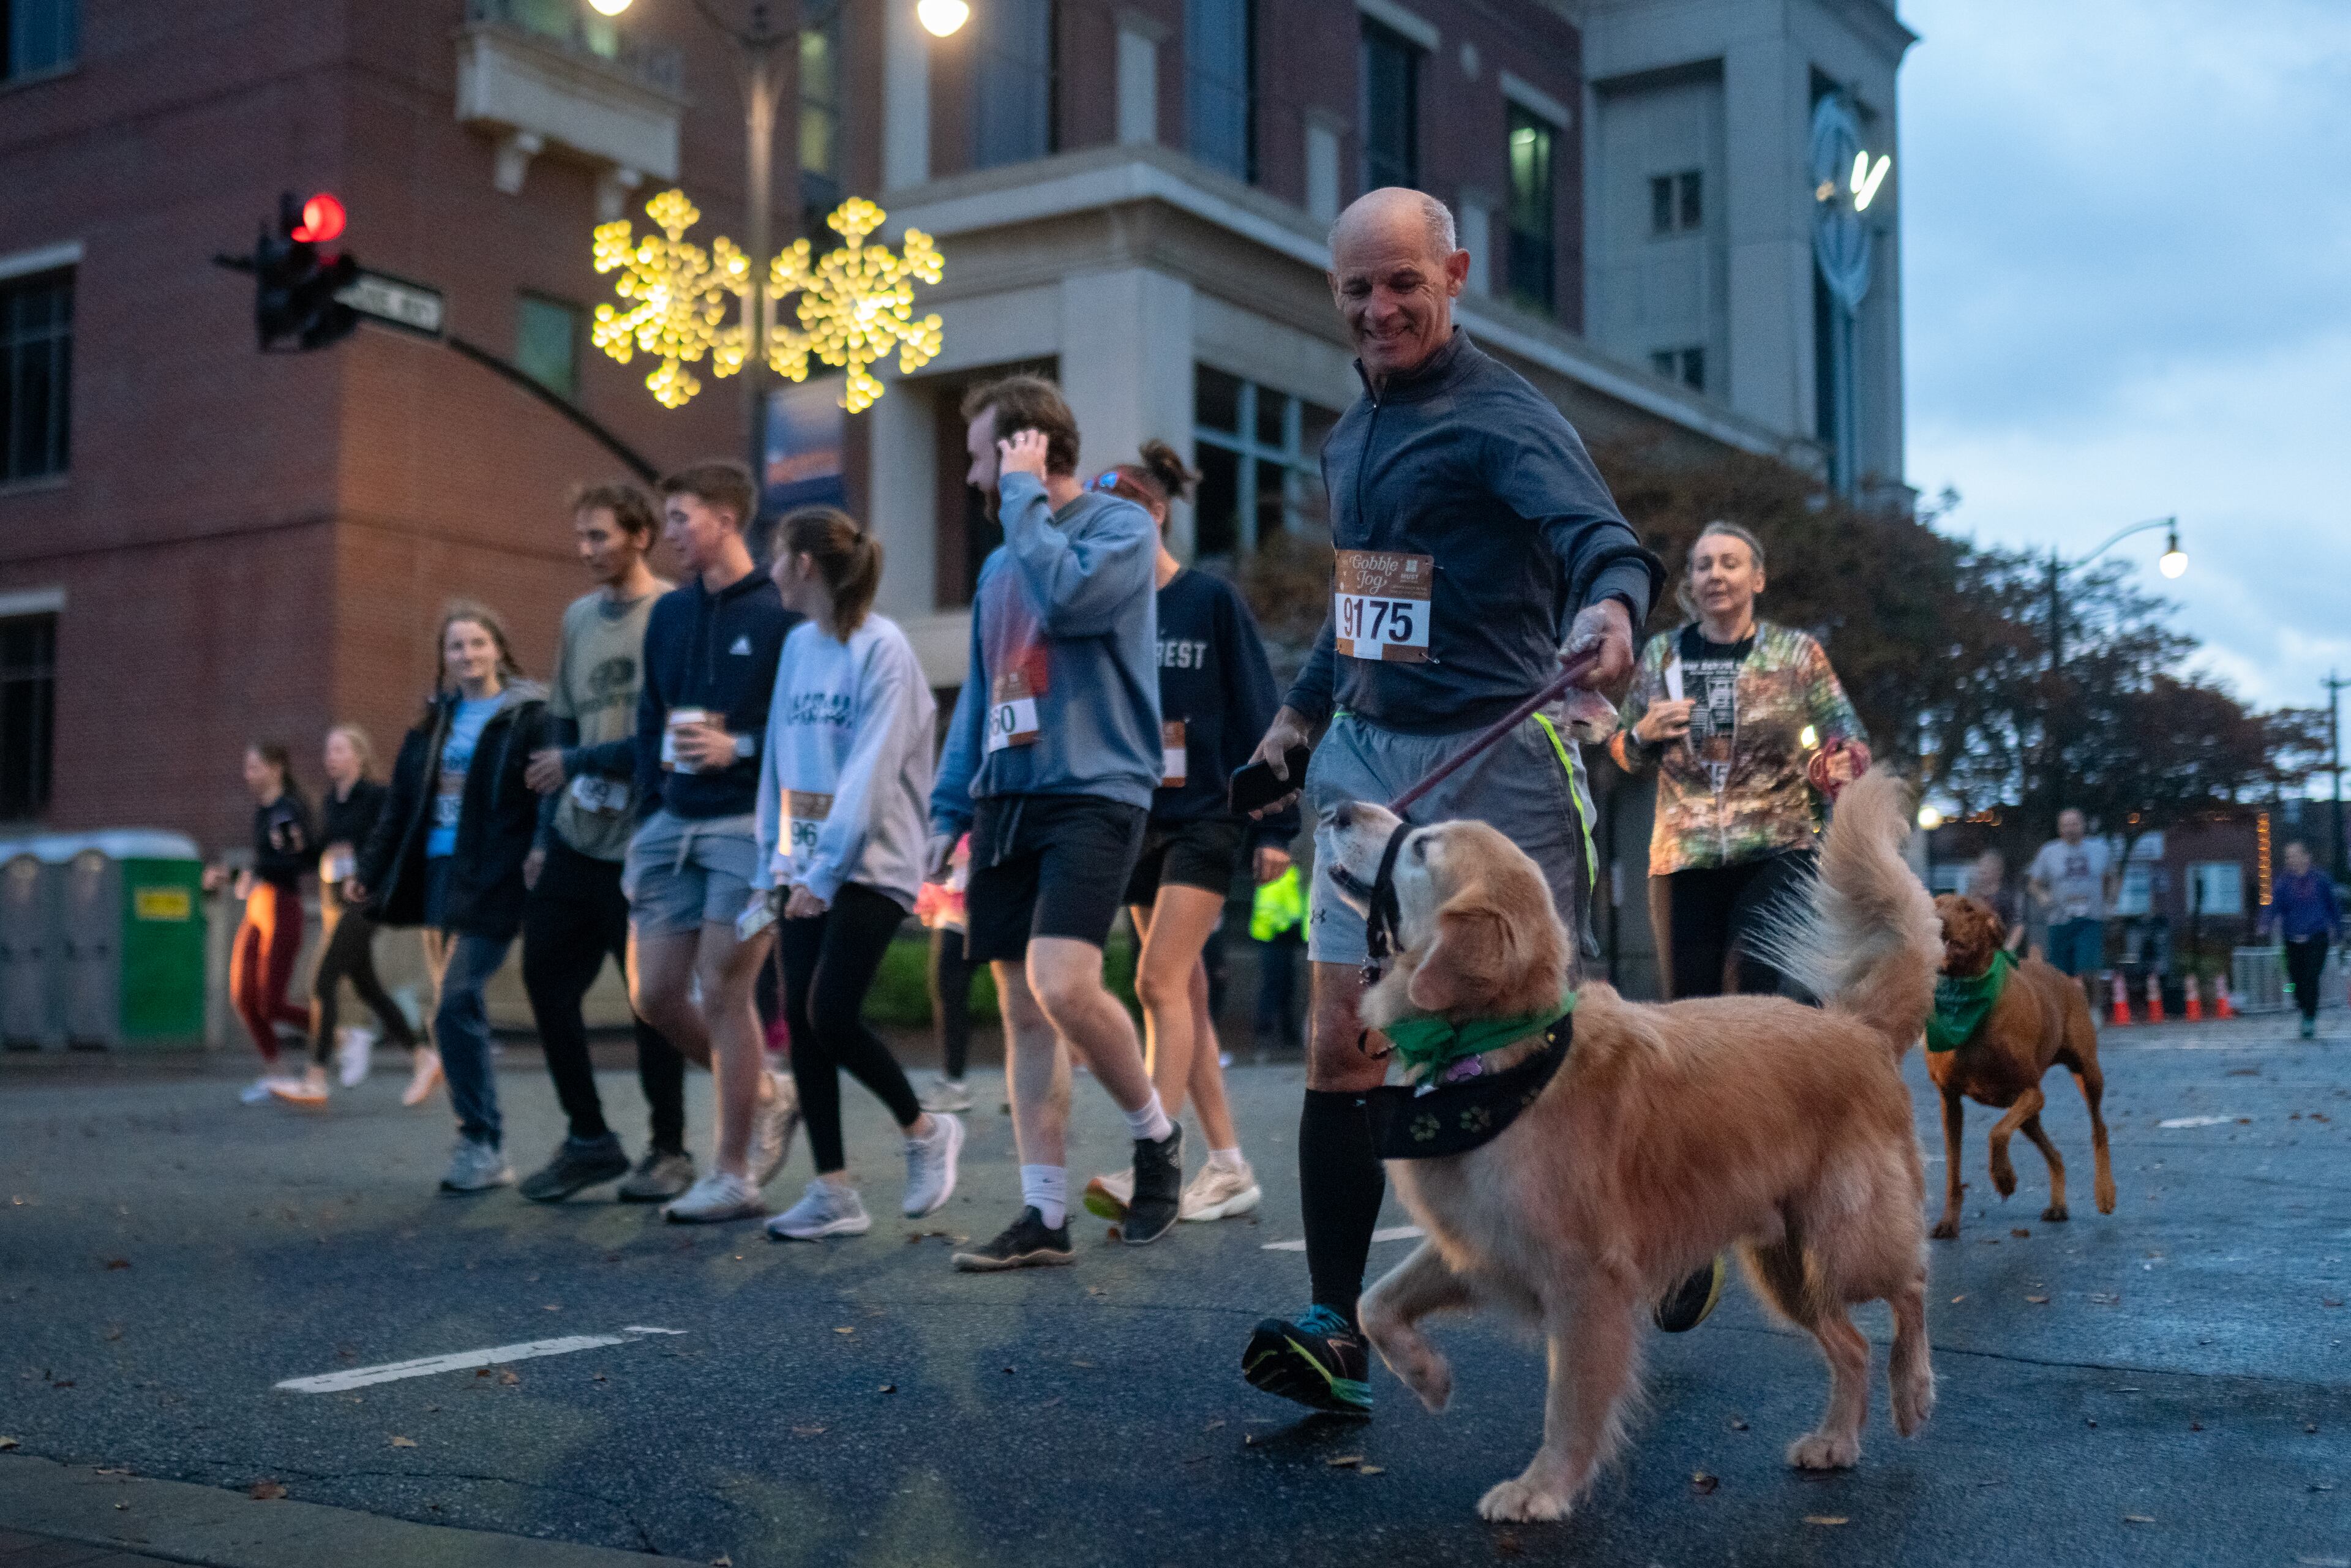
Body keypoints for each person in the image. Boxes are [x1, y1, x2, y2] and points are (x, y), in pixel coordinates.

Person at [1236, 188, 1662, 1414]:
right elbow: (1360, 597)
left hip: (1495, 757)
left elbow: (1602, 540)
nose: (1379, 309)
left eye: (1402, 284)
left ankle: (1661, 1223)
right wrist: (1295, 716)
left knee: (1551, 1038)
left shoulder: (1502, 417)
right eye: (1357, 289)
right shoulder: (1350, 431)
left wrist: (1612, 611)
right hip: (1368, 753)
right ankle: (1335, 1324)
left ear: (1455, 273)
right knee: (1339, 1035)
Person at [928, 373, 1185, 1270]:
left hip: (1095, 790)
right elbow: (981, 692)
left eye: (984, 454)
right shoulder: (1003, 560)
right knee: (1022, 1010)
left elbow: (1070, 602)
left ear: (1026, 447)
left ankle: (1156, 1137)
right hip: (1007, 798)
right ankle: (1043, 1216)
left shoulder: (1120, 528)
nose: (974, 475)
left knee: (1062, 983)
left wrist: (1024, 500)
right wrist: (947, 805)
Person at [1079, 441, 1295, 1228]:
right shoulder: (1107, 609)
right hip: (1139, 817)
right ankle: (1230, 1164)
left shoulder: (1209, 598)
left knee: (1157, 984)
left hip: (1209, 814)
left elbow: (1260, 709)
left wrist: (1281, 825)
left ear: (1157, 514)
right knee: (1187, 998)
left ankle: (1154, 1161)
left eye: (1122, 517)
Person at [753, 506, 964, 1239]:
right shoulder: (797, 646)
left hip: (871, 862)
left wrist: (826, 865)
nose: (769, 565)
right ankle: (833, 1190)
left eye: (775, 552)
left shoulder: (886, 649)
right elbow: (781, 760)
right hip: (804, 863)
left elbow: (871, 771)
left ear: (803, 563)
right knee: (804, 1027)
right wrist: (771, 861)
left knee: (830, 1010)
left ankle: (925, 1129)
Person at [626, 462, 802, 1224]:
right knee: (656, 993)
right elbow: (647, 720)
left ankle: (734, 1172)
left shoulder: (781, 612)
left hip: (748, 825)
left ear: (726, 519)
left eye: (679, 517)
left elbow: (805, 726)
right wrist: (645, 817)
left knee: (727, 988)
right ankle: (767, 1089)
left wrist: (745, 748)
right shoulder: (666, 616)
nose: (667, 533)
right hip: (671, 823)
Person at [516, 483, 695, 1205]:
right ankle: (589, 1137)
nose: (586, 550)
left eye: (600, 536)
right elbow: (561, 727)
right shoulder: (578, 618)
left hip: (645, 841)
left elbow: (668, 736)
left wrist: (583, 764)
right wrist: (540, 832)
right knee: (544, 978)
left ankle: (670, 1148)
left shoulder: (675, 613)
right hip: (573, 839)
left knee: (651, 999)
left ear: (642, 536)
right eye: (582, 537)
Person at [1611, 522, 1869, 1001]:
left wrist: (1837, 762)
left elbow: (1848, 734)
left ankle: (1766, 1075)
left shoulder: (1796, 654)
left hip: (1777, 846)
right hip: (1686, 852)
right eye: (1703, 565)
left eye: (1730, 563)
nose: (1716, 575)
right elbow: (1622, 752)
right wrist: (1643, 734)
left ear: (1758, 579)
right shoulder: (1663, 655)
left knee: (1755, 987)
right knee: (1693, 1001)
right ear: (1691, 580)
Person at [349, 604, 550, 1192]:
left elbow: (546, 795)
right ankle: (484, 1143)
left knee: (455, 999)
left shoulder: (526, 717)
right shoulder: (432, 722)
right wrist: (370, 868)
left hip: (495, 872)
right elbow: (400, 805)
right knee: (456, 1005)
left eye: (478, 643)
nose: (467, 655)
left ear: (499, 649)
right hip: (439, 870)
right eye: (456, 646)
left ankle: (481, 1140)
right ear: (445, 658)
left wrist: (539, 849)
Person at [271, 726, 421, 1105]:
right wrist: (295, 846)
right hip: (335, 903)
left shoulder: (374, 796)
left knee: (322, 979)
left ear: (359, 756)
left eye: (339, 750)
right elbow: (320, 853)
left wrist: (357, 855)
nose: (330, 757)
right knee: (367, 986)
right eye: (328, 751)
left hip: (366, 899)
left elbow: (389, 836)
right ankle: (423, 1056)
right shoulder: (330, 803)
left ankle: (316, 1077)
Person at [209, 742, 316, 1104]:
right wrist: (232, 874)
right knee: (243, 995)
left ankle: (334, 1031)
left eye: (255, 767)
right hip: (258, 906)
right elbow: (266, 865)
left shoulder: (286, 812)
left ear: (276, 769)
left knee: (271, 1002)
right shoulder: (264, 811)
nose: (248, 774)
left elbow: (295, 864)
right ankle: (277, 1074)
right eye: (247, 767)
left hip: (282, 905)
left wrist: (254, 870)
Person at [2027, 807, 2117, 1015]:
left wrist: (2110, 902)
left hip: (2090, 917)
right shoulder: (2049, 852)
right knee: (2060, 971)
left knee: (2089, 966)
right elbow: (2034, 884)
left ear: (2083, 826)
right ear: (2059, 829)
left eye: (2074, 824)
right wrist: (2043, 897)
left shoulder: (2100, 849)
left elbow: (2112, 877)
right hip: (2060, 918)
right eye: (2066, 825)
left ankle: (2094, 1010)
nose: (2070, 829)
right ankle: (2064, 1013)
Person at [913, 833, 978, 1112]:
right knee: (947, 992)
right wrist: (927, 899)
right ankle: (954, 1082)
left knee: (1018, 998)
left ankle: (1031, 1085)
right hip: (954, 912)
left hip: (996, 901)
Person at [2262, 840, 2341, 1039]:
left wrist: (2339, 931)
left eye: (2294, 855)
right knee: (2295, 981)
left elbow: (2333, 907)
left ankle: (2309, 1019)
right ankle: (2302, 1003)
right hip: (2292, 939)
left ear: (2306, 857)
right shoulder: (2283, 883)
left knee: (2311, 978)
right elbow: (2273, 906)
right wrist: (2265, 922)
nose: (2291, 860)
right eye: (2288, 856)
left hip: (2317, 937)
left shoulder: (2321, 880)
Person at [1250, 863, 1307, 1051]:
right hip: (1273, 938)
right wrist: (1285, 926)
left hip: (1285, 940)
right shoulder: (1276, 873)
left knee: (1285, 987)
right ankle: (1265, 1033)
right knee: (1273, 986)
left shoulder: (1291, 874)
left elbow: (1295, 906)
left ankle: (1284, 1033)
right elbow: (1268, 908)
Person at [1965, 847, 2027, 956]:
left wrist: (2008, 950)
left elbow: (2018, 925)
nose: (1982, 870)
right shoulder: (1972, 895)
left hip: (2001, 952)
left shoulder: (2008, 896)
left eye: (1987, 866)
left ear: (1999, 871)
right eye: (1980, 866)